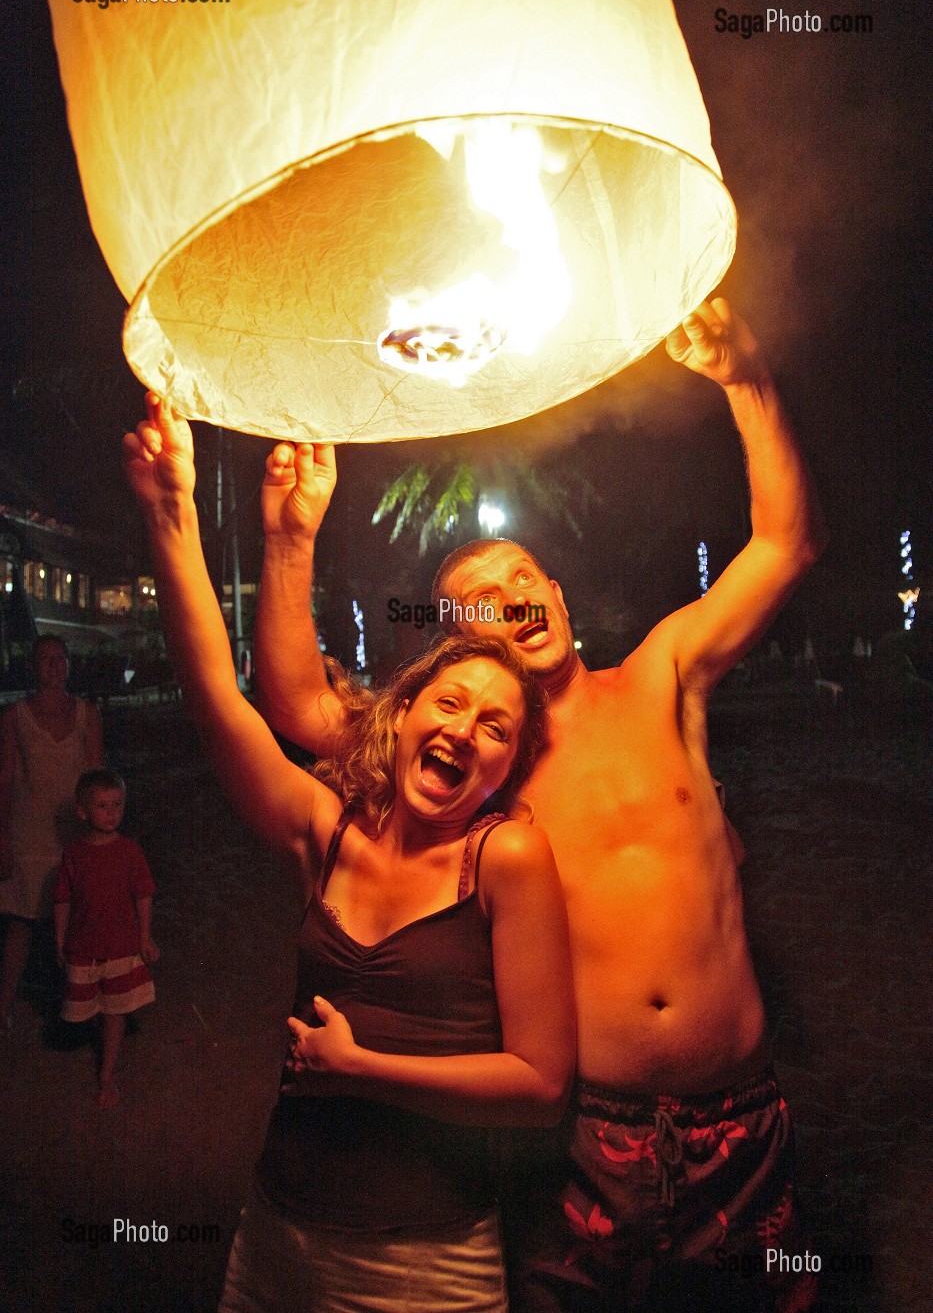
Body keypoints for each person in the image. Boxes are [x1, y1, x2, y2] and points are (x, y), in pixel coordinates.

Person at [252, 298, 827, 1311]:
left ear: (555, 594)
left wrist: (747, 379)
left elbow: (786, 542)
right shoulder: (476, 768)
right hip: (582, 1139)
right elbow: (298, 704)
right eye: (480, 607)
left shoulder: (660, 674)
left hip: (741, 1117)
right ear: (465, 648)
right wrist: (292, 536)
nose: (512, 602)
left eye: (522, 580)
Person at [123, 395, 575, 1313]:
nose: (466, 730)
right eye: (449, 703)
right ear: (400, 717)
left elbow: (539, 1086)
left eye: (496, 727)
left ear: (506, 767)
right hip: (275, 1232)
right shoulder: (325, 832)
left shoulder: (505, 859)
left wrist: (361, 1068)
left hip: (428, 1259)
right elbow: (218, 696)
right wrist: (172, 513)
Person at [0, 634, 103, 1028]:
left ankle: (82, 1006)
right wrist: (3, 837)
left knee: (78, 922)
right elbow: (5, 779)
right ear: (33, 665)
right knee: (22, 923)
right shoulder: (15, 717)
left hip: (73, 836)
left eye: (61, 658)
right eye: (47, 658)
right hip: (29, 836)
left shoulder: (87, 715)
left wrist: (98, 834)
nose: (55, 665)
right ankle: (4, 1007)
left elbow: (96, 778)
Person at [53, 768, 158, 1107]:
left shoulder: (129, 851)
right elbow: (63, 900)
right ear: (82, 811)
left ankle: (106, 1075)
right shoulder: (74, 854)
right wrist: (60, 940)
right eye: (102, 806)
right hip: (84, 948)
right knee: (89, 1007)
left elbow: (143, 895)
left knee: (115, 1011)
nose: (112, 813)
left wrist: (145, 937)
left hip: (120, 947)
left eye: (117, 805)